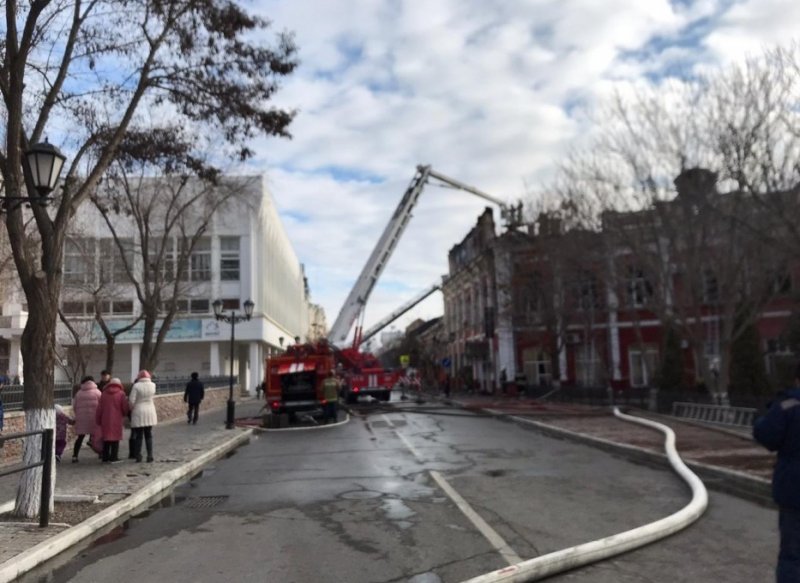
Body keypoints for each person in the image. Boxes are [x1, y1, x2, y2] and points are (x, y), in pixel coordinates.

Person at [753, 363, 800, 583]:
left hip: (794, 490)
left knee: (793, 554)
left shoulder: (788, 406)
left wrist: (762, 416)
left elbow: (766, 436)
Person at [95, 377, 129, 463]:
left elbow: (99, 408)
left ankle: (105, 457)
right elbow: (124, 407)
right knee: (115, 438)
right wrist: (125, 413)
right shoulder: (121, 394)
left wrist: (98, 419)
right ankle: (114, 457)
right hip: (117, 419)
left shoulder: (104, 394)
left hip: (105, 419)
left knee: (106, 438)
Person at [128, 370, 157, 463]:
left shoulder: (136, 386)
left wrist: (131, 409)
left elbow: (131, 400)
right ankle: (150, 455)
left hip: (138, 411)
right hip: (150, 410)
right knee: (148, 435)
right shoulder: (153, 385)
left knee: (139, 435)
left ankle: (138, 455)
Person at [72, 376, 102, 463]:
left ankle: (75, 456)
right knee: (96, 437)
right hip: (94, 418)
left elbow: (74, 406)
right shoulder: (98, 392)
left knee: (80, 438)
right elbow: (101, 405)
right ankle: (100, 453)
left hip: (82, 419)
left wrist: (79, 414)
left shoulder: (79, 393)